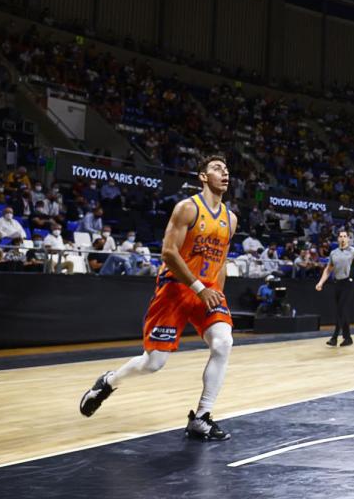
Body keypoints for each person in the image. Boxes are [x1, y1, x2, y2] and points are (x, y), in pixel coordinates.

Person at [79, 155, 237, 441]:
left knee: (223, 342)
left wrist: (216, 294)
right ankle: (109, 382)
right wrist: (199, 288)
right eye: (217, 168)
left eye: (226, 169)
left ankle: (201, 417)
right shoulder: (187, 208)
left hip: (208, 290)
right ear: (203, 176)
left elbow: (222, 262)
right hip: (176, 288)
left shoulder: (231, 219)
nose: (224, 173)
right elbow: (168, 253)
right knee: (154, 363)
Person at [316, 229, 354, 347]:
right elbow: (328, 270)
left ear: (348, 238)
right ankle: (348, 338)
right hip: (337, 284)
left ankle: (334, 337)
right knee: (342, 312)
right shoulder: (333, 253)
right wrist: (321, 282)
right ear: (338, 239)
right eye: (340, 236)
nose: (342, 238)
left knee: (341, 310)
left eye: (345, 236)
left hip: (348, 284)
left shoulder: (353, 252)